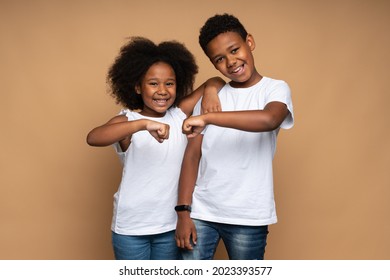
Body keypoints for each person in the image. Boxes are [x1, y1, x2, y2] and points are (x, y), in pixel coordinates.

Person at [86, 36, 224, 260]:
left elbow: (216, 80)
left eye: (169, 83)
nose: (162, 90)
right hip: (131, 227)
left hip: (170, 226)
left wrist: (210, 92)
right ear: (138, 87)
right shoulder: (128, 120)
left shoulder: (178, 114)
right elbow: (94, 137)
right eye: (153, 83)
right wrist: (142, 124)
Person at [175, 14, 294, 260]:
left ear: (249, 42)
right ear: (213, 63)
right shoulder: (212, 96)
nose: (230, 62)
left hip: (249, 215)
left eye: (234, 50)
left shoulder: (274, 88)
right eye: (219, 59)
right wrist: (183, 213)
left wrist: (208, 118)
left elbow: (268, 119)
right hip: (202, 212)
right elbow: (192, 156)